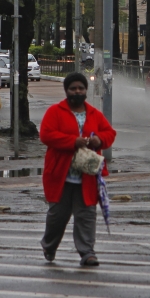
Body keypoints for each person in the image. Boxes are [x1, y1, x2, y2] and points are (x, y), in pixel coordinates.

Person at [40, 72, 116, 267]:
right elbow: (46, 135)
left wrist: (99, 140)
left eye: (81, 88)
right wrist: (72, 141)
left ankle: (87, 253)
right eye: (73, 88)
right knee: (58, 216)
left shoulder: (94, 114)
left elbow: (109, 133)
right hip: (61, 175)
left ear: (86, 90)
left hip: (87, 176)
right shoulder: (55, 112)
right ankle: (49, 246)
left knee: (86, 215)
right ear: (66, 91)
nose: (77, 91)